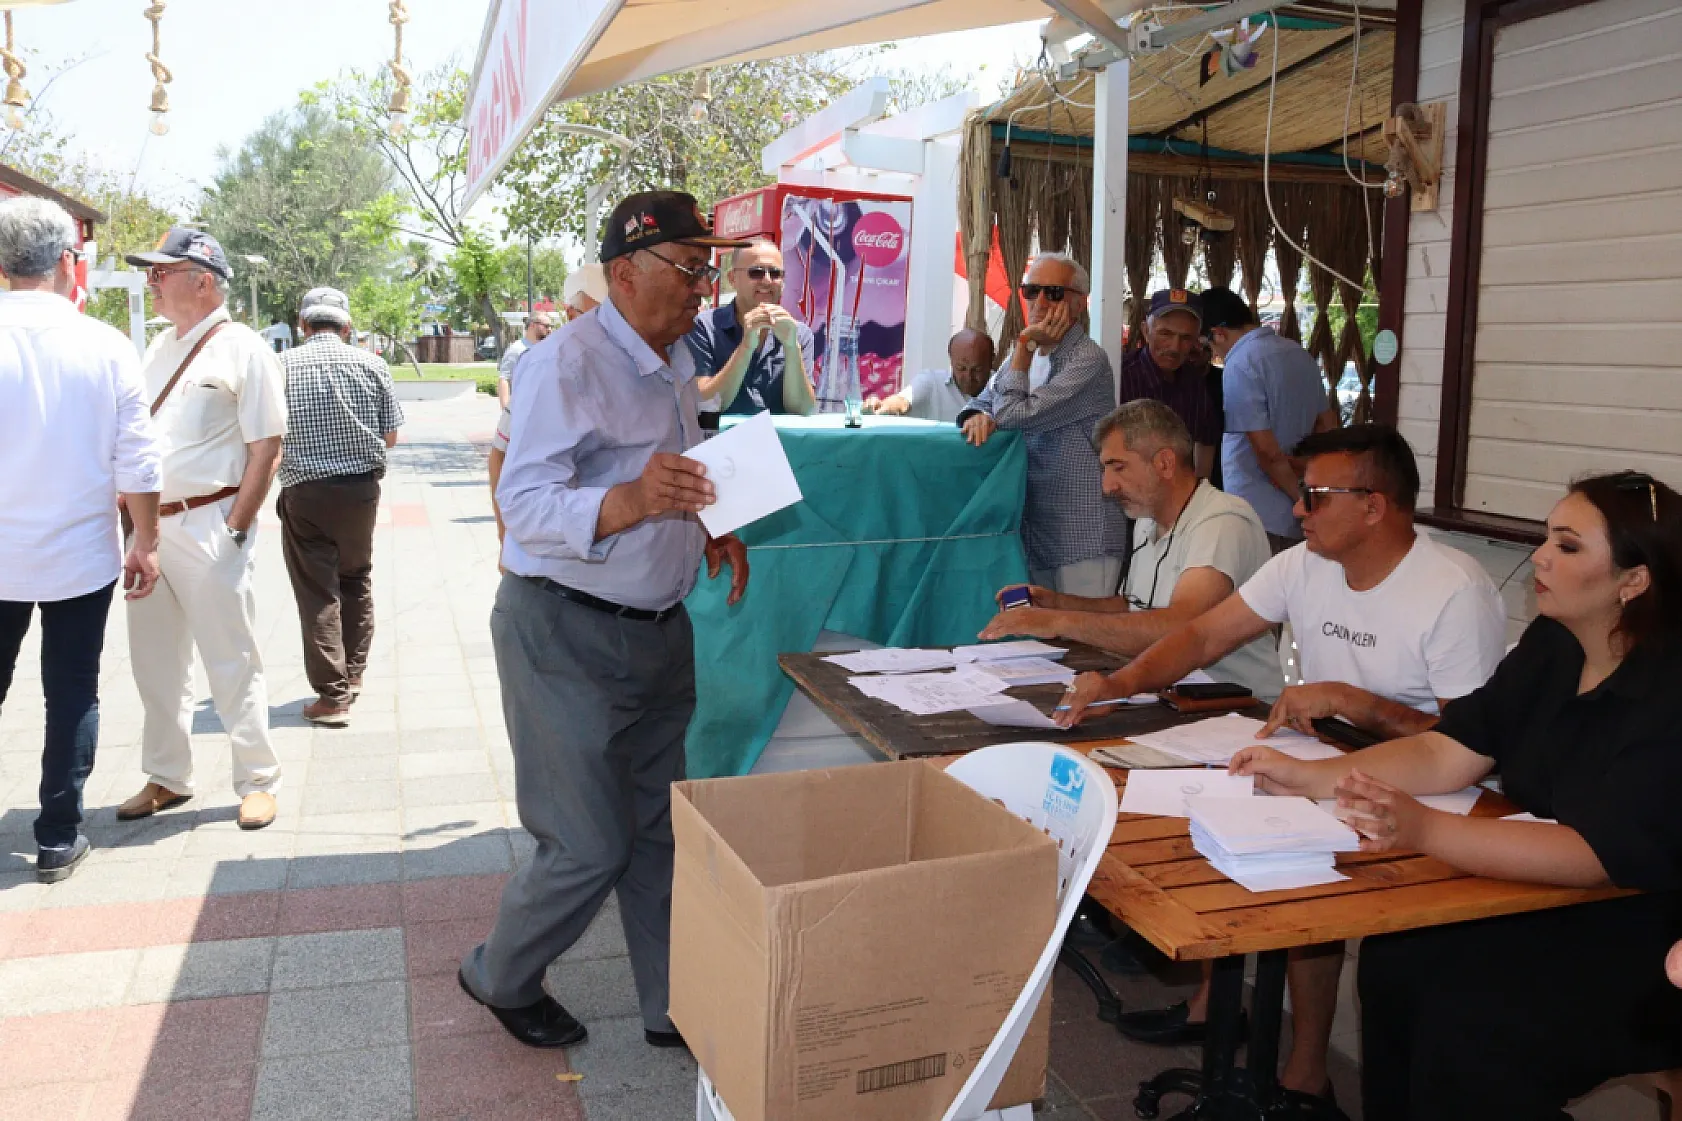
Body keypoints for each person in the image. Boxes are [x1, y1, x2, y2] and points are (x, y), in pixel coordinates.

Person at [1058, 424, 1506, 1097]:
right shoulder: (1305, 563)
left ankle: (1303, 1071)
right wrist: (1117, 685)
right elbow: (1206, 633)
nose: (1297, 511)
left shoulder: (1452, 590)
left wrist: (1358, 702)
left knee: (1304, 890)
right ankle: (1226, 1015)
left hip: (1426, 782)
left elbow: (1470, 740)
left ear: (1375, 506)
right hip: (1320, 755)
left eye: (1315, 497)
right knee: (1206, 817)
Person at [1231, 471, 1682, 1121]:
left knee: (1470, 1021)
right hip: (1538, 896)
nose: (1541, 557)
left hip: (1640, 933)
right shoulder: (1554, 646)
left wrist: (1423, 831)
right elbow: (1451, 748)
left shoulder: (1668, 690)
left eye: (1568, 545)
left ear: (1633, 581)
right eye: (1546, 537)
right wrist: (1315, 777)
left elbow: (1594, 853)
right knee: (1396, 957)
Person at [459, 191, 751, 1051]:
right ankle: (499, 973)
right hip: (564, 631)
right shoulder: (566, 364)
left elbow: (679, 471)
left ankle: (672, 1003)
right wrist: (627, 501)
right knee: (587, 841)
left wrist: (710, 523)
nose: (704, 286)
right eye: (689, 268)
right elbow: (523, 500)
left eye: (709, 268)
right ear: (624, 272)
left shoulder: (672, 356)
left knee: (657, 829)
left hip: (659, 627)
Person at [0, 198, 164, 884]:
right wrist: (145, 540)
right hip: (79, 555)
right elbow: (139, 461)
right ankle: (58, 834)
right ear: (70, 263)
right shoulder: (105, 345)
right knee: (71, 691)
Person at [117, 227, 288, 832]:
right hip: (149, 530)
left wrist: (236, 530)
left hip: (209, 522)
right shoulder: (158, 348)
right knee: (155, 661)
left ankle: (258, 779)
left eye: (162, 272)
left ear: (203, 280)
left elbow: (266, 444)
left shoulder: (243, 347)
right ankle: (167, 775)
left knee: (231, 658)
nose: (151, 282)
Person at [978, 400, 1281, 700]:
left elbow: (1180, 626)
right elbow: (1133, 608)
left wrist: (1058, 622)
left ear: (1164, 463)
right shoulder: (1146, 520)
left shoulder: (1222, 521)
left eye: (1118, 467)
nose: (1107, 486)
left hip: (1240, 712)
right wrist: (1056, 604)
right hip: (1172, 701)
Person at [957, 253, 1127, 597]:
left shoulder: (1087, 360)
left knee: (1082, 641)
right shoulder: (1026, 350)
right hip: (1034, 527)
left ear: (1078, 304)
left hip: (1082, 531)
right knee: (1041, 639)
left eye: (1053, 292)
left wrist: (1023, 347)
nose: (1040, 301)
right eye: (1032, 291)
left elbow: (1012, 415)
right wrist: (976, 415)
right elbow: (983, 400)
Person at [276, 287, 405, 727]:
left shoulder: (281, 366)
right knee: (356, 578)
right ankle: (352, 675)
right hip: (360, 492)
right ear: (347, 326)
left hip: (305, 492)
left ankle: (332, 698)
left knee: (317, 590)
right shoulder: (373, 364)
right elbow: (390, 437)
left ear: (302, 325)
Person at [1201, 286, 1339, 552]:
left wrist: (1301, 499)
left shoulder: (1240, 363)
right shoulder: (1299, 354)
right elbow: (1327, 426)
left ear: (1218, 333)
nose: (1213, 356)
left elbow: (1266, 451)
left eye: (1208, 346)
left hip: (1257, 514)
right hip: (1298, 513)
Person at [684, 236, 816, 418]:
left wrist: (792, 348)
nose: (767, 281)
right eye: (756, 272)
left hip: (780, 444)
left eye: (775, 273)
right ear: (732, 278)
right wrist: (746, 347)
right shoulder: (703, 327)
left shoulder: (799, 334)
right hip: (723, 444)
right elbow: (705, 404)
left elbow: (803, 410)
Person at [1117, 289, 1222, 479]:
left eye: (1186, 338)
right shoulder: (1120, 377)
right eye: (1165, 333)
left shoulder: (1194, 381)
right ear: (1145, 331)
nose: (1174, 347)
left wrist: (1197, 493)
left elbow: (1206, 438)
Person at [864, 328, 995, 422]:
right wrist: (882, 406)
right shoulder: (931, 383)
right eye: (961, 368)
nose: (968, 377)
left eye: (977, 369)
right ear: (951, 360)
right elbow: (903, 401)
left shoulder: (1003, 390)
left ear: (991, 361)